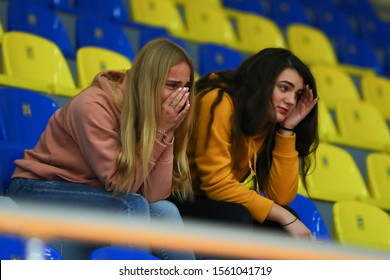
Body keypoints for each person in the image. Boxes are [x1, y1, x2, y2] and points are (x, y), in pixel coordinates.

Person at [7, 38, 196, 260]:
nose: (181, 97)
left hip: (93, 192)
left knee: (166, 211)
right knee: (129, 205)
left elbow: (154, 195)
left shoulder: (152, 112)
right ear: (148, 82)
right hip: (37, 188)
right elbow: (119, 184)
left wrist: (167, 133)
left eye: (186, 87)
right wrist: (161, 132)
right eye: (173, 86)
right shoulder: (92, 106)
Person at [171, 47, 319, 240]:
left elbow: (281, 196)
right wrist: (283, 216)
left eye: (297, 94)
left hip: (218, 202)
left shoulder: (268, 118)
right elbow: (216, 185)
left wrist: (286, 130)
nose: (291, 101)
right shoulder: (218, 100)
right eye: (284, 88)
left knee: (282, 227)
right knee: (238, 218)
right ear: (262, 83)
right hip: (177, 197)